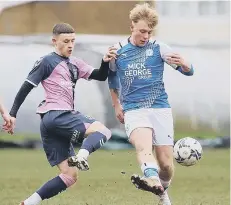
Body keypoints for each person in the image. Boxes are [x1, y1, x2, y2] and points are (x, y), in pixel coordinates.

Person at [3, 23, 117, 205]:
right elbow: (26, 87)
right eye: (66, 41)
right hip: (58, 115)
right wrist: (13, 113)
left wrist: (105, 61)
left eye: (73, 41)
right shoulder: (46, 61)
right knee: (104, 131)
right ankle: (82, 156)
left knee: (69, 175)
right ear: (54, 41)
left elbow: (100, 76)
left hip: (50, 125)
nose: (70, 45)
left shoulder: (75, 63)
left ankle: (29, 203)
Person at [107, 3, 194, 205]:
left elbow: (188, 72)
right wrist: (116, 105)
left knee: (166, 164)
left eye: (149, 32)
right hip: (134, 109)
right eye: (142, 31)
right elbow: (111, 79)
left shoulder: (159, 48)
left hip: (160, 107)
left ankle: (161, 191)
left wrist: (186, 64)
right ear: (132, 26)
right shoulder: (118, 51)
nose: (145, 36)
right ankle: (152, 178)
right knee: (143, 146)